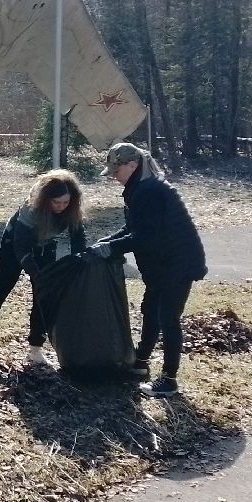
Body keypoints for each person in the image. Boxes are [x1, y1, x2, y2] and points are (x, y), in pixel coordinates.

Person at [90, 142, 207, 398]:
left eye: (116, 171)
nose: (113, 177)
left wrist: (110, 249)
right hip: (162, 264)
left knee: (168, 319)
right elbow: (133, 229)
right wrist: (106, 242)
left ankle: (169, 381)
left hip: (177, 263)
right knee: (150, 311)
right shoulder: (139, 188)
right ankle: (141, 364)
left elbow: (144, 237)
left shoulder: (149, 191)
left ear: (132, 166)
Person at [0, 169, 87, 366]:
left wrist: (79, 260)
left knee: (44, 296)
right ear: (46, 199)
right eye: (56, 202)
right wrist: (33, 271)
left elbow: (78, 237)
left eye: (65, 202)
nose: (61, 207)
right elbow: (21, 245)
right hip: (14, 243)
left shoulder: (71, 208)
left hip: (45, 244)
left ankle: (35, 350)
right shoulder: (31, 209)